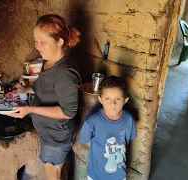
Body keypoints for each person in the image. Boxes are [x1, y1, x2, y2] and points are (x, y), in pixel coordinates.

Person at [8, 14, 81, 180]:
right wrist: (26, 90)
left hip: (56, 137)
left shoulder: (65, 73)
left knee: (52, 175)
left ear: (60, 41)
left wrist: (29, 109)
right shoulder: (48, 61)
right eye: (35, 40)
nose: (37, 46)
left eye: (42, 41)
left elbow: (68, 112)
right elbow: (46, 88)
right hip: (48, 133)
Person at [79, 76, 137, 180]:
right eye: (107, 99)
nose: (112, 103)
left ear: (125, 100)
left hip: (119, 175)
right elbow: (84, 140)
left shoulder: (129, 120)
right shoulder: (92, 122)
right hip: (96, 175)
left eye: (118, 99)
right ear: (100, 99)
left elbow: (126, 142)